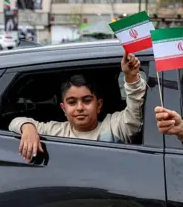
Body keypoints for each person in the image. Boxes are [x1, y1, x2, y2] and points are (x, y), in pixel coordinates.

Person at [9, 53, 146, 162]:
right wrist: (27, 128)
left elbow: (135, 111)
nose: (79, 108)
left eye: (86, 101)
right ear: (63, 108)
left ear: (98, 105)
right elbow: (14, 122)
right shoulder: (56, 131)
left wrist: (131, 77)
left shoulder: (114, 126)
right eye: (72, 102)